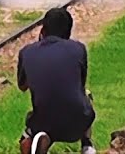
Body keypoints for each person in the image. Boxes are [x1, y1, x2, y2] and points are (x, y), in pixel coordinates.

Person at [17, 8, 97, 154]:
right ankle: (87, 145)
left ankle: (40, 139)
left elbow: (22, 86)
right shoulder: (78, 49)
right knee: (86, 95)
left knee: (32, 126)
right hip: (77, 124)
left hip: (43, 120)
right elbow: (80, 84)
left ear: (43, 30)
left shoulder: (27, 51)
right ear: (68, 32)